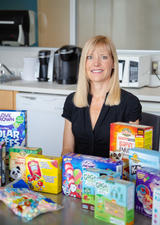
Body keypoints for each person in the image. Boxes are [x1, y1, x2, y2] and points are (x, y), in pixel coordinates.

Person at [61, 35, 142, 158]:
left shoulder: (130, 103)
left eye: (103, 57)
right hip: (77, 173)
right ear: (84, 63)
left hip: (113, 175)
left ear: (113, 63)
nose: (96, 63)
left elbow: (131, 158)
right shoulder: (72, 101)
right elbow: (67, 149)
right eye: (90, 57)